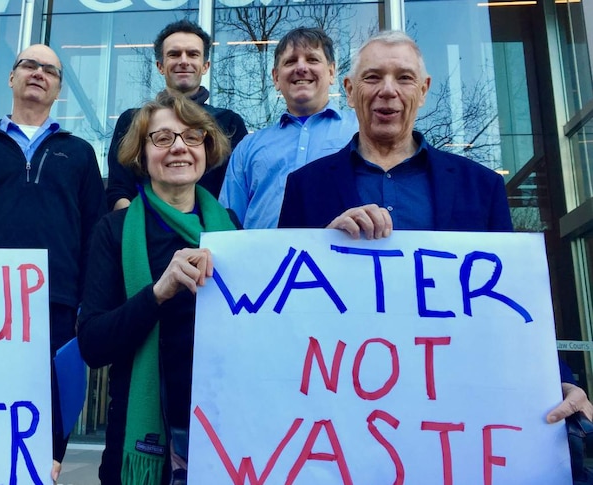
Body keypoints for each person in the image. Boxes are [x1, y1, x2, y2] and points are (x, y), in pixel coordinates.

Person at [278, 29, 593, 470]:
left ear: (423, 91)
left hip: (453, 418)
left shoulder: (480, 186)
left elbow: (511, 303)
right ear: (349, 91)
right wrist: (322, 247)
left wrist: (558, 380)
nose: (387, 90)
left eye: (403, 78)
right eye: (372, 78)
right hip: (342, 421)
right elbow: (283, 308)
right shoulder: (306, 186)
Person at [0, 44, 107, 481]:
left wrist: (85, 304)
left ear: (58, 88)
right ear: (12, 77)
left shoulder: (78, 153)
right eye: (29, 65)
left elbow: (94, 232)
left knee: (49, 406)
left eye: (50, 70)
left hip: (56, 304)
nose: (39, 73)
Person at [78, 91, 239, 485]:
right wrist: (157, 294)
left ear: (207, 148)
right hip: (141, 434)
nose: (179, 148)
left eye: (192, 136)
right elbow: (93, 344)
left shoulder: (233, 228)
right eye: (163, 138)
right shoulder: (114, 231)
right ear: (141, 154)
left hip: (226, 430)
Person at [219, 26, 358, 229]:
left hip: (342, 257)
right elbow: (227, 225)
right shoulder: (248, 147)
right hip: (264, 260)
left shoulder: (361, 133)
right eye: (290, 61)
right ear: (276, 78)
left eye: (312, 59)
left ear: (331, 72)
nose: (301, 68)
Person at [106, 19, 247, 210]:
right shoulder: (131, 121)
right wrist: (135, 229)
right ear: (160, 66)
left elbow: (237, 191)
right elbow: (119, 189)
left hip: (211, 233)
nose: (183, 61)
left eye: (192, 54)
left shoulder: (230, 123)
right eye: (174, 54)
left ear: (205, 66)